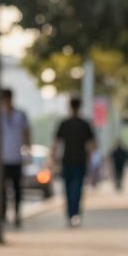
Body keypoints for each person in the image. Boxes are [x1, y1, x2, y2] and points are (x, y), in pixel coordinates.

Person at [52, 96, 96, 227]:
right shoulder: (85, 124)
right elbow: (92, 145)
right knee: (77, 189)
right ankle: (76, 214)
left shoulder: (64, 123)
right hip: (80, 161)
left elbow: (56, 143)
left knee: (67, 189)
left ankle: (70, 214)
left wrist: (53, 158)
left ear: (69, 106)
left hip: (67, 161)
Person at [0, 89, 31, 228]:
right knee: (2, 190)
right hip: (1, 159)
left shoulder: (20, 115)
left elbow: (26, 133)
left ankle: (17, 214)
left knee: (17, 189)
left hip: (16, 158)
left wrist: (28, 150)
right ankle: (3, 215)